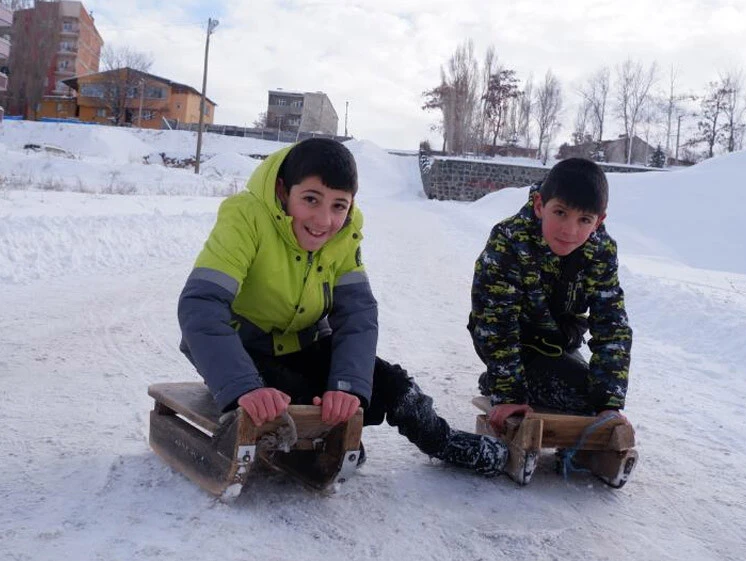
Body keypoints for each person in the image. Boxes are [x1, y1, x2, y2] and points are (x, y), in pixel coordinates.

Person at [177, 138, 508, 478]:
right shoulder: (245, 217)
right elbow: (201, 304)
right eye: (310, 200)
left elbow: (358, 314)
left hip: (303, 343)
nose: (324, 220)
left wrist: (347, 385)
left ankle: (442, 440)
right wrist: (243, 385)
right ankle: (310, 446)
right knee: (295, 399)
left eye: (339, 205)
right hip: (245, 351)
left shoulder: (345, 233)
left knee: (392, 384)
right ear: (282, 190)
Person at [468, 157, 633, 436]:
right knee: (576, 398)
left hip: (558, 343)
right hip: (510, 340)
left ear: (598, 221)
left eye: (584, 220)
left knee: (592, 398)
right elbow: (496, 321)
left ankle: (531, 381)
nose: (570, 230)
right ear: (539, 205)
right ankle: (497, 381)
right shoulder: (509, 240)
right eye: (560, 213)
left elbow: (612, 324)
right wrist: (509, 395)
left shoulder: (601, 251)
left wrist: (609, 405)